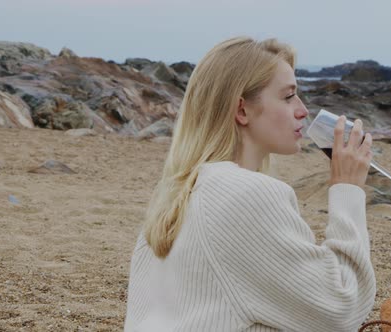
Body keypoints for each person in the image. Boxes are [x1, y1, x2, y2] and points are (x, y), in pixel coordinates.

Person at [124, 36, 376, 332]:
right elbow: (341, 308)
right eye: (287, 96)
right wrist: (347, 188)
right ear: (241, 110)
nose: (303, 110)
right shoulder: (249, 194)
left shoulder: (173, 198)